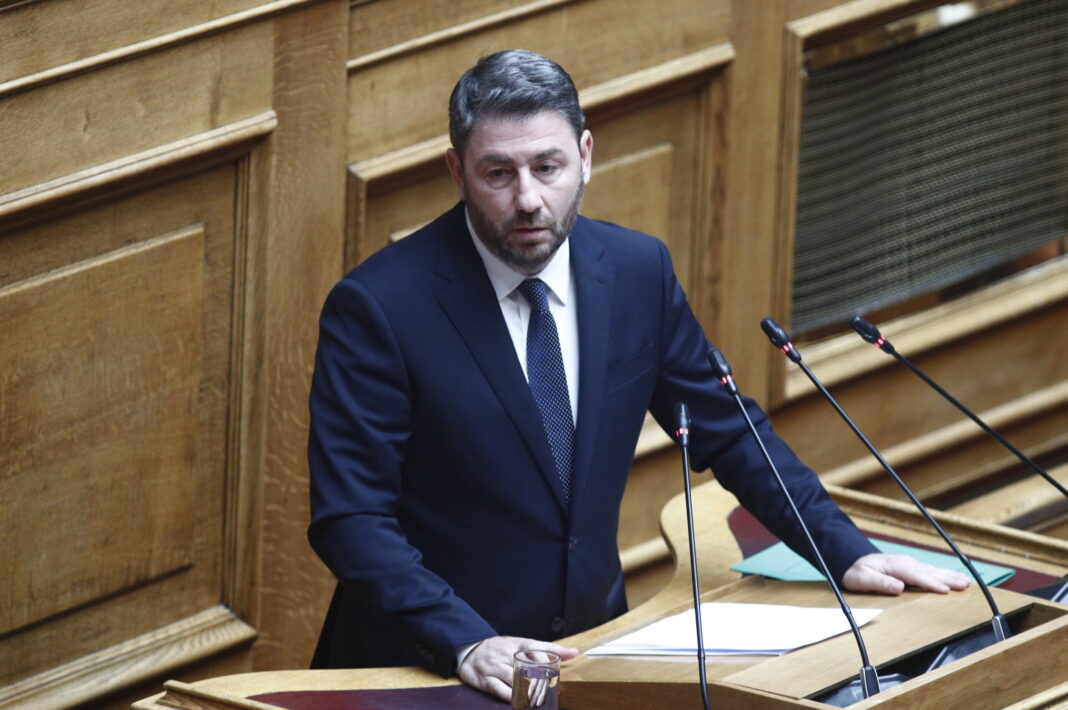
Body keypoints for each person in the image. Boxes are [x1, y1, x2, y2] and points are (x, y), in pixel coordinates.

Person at [306, 49, 969, 702]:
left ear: (586, 155)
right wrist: (466, 641)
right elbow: (351, 518)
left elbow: (731, 432)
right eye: (498, 173)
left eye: (547, 167)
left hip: (591, 656)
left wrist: (845, 551)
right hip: (432, 673)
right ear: (457, 172)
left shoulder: (635, 271)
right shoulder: (381, 308)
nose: (528, 199)